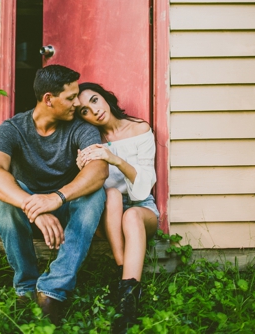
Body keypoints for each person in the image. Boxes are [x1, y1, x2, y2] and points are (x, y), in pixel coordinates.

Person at [0, 65, 109, 325]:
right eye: (71, 97)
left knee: (95, 193)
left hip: (65, 207)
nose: (77, 103)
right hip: (29, 209)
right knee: (5, 200)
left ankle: (52, 290)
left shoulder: (80, 128)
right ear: (49, 99)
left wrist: (56, 199)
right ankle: (26, 288)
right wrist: (34, 207)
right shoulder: (12, 129)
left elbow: (98, 170)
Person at [75, 82, 159, 334]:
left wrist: (116, 160)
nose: (94, 110)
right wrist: (84, 170)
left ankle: (127, 297)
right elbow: (93, 190)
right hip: (108, 217)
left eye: (94, 100)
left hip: (141, 208)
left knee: (132, 214)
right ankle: (125, 278)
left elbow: (144, 186)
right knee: (111, 194)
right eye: (84, 111)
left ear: (106, 98)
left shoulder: (140, 129)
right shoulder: (90, 140)